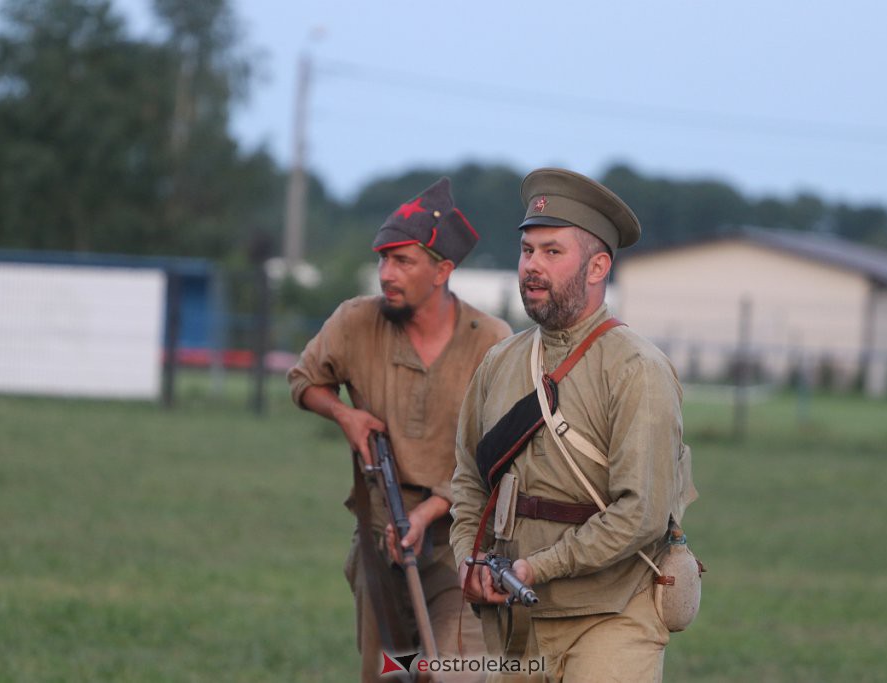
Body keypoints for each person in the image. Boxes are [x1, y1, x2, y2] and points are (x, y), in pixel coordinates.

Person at [450, 168, 694, 682]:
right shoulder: (498, 363)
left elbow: (641, 513)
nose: (531, 266)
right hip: (517, 621)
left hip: (611, 614)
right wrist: (467, 558)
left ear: (597, 265)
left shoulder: (637, 369)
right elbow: (470, 481)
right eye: (527, 251)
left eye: (552, 252)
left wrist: (539, 568)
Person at [288, 177, 511, 682]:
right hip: (378, 536)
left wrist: (431, 508)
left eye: (403, 261)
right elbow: (303, 380)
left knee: (455, 672)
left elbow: (502, 455)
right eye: (383, 259)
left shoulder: (492, 342)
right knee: (391, 674)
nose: (386, 274)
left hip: (462, 542)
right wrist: (345, 415)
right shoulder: (355, 322)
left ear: (442, 270)